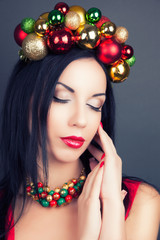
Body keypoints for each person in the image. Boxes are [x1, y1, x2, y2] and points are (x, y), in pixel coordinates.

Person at [0, 3, 159, 240]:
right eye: (61, 98)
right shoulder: (5, 205)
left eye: (95, 105)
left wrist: (113, 209)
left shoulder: (140, 202)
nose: (81, 120)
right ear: (25, 101)